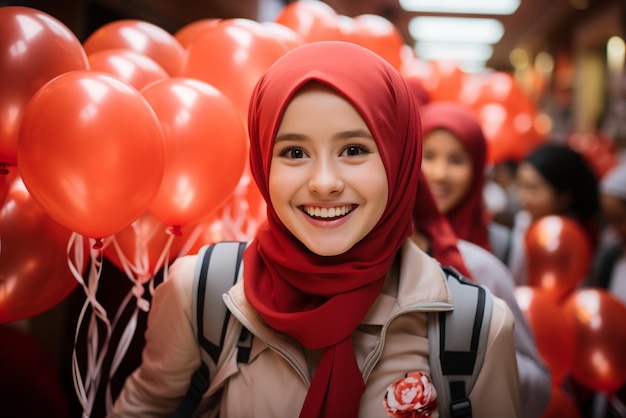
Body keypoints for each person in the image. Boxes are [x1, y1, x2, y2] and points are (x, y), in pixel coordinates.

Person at [110, 41, 520, 417]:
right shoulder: (201, 293)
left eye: (354, 150)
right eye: (294, 152)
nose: (324, 182)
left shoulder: (475, 328)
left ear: (399, 159)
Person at [412, 176, 551, 418]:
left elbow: (537, 384)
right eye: (429, 156)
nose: (439, 172)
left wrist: (483, 360)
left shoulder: (482, 268)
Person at [418, 101, 513, 264]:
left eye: (456, 160)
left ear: (477, 168)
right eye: (428, 156)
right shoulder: (384, 246)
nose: (440, 174)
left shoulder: (506, 248)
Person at [508, 143, 600, 286]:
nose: (523, 197)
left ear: (564, 197)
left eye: (533, 188)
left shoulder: (584, 241)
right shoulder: (521, 222)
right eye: (520, 184)